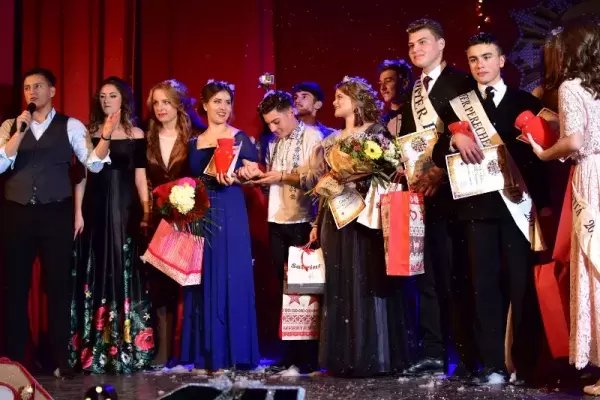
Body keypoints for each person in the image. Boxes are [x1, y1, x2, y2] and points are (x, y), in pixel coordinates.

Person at [433, 32, 551, 384]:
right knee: (483, 286)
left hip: (518, 208)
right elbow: (437, 154)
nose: (479, 64)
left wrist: (545, 205)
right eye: (473, 59)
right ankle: (493, 365)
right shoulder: (458, 105)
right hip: (476, 209)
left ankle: (524, 364)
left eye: (486, 57)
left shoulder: (525, 101)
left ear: (501, 60)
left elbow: (542, 160)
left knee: (522, 286)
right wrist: (454, 138)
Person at [0, 67, 111, 379]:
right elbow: (1, 163)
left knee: (58, 288)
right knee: (15, 288)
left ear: (52, 91)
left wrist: (104, 137)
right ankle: (17, 359)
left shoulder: (70, 125)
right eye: (27, 87)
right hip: (17, 213)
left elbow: (93, 164)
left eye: (38, 86)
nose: (32, 92)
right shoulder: (10, 125)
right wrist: (19, 132)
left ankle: (60, 359)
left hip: (56, 213)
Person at [312, 76, 410, 377]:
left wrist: (360, 177)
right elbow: (327, 181)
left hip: (366, 215)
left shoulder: (376, 132)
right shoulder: (331, 140)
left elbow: (393, 170)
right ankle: (343, 357)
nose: (334, 102)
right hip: (335, 215)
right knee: (340, 281)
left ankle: (372, 354)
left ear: (356, 101)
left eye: (340, 97)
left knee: (365, 279)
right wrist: (316, 222)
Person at [526, 20, 600, 395]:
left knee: (592, 262)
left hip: (590, 176)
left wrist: (543, 153)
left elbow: (574, 141)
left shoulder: (571, 86)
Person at [399, 18, 472, 377]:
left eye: (423, 42)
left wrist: (439, 171)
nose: (416, 50)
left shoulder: (461, 82)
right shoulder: (411, 91)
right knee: (425, 275)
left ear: (441, 44)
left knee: (456, 275)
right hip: (421, 194)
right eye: (411, 45)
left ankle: (466, 354)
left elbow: (472, 134)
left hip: (455, 192)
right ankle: (432, 351)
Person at [69, 77, 154, 374]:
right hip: (94, 207)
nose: (106, 100)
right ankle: (95, 348)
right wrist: (77, 213)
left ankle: (126, 347)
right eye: (103, 96)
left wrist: (146, 211)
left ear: (123, 99)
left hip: (125, 208)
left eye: (113, 95)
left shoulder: (136, 134)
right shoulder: (88, 132)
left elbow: (140, 176)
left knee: (122, 269)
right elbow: (81, 177)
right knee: (96, 269)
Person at [237, 90, 324, 373]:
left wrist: (281, 176)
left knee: (305, 290)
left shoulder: (312, 136)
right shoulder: (273, 143)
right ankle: (289, 353)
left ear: (290, 112)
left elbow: (316, 178)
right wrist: (258, 178)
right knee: (285, 290)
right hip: (276, 220)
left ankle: (309, 355)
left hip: (303, 219)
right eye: (269, 124)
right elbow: (272, 182)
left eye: (277, 121)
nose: (273, 128)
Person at [181, 80, 260, 372]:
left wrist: (239, 176)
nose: (223, 107)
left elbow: (253, 174)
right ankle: (207, 354)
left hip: (230, 209)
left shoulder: (239, 138)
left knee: (232, 276)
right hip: (202, 213)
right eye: (217, 101)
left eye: (227, 102)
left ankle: (234, 352)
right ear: (204, 105)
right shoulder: (194, 142)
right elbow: (191, 178)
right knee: (204, 279)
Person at [145, 79, 198, 367]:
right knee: (161, 287)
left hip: (190, 220)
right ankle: (163, 352)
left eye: (166, 101)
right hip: (157, 221)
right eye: (156, 102)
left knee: (189, 287)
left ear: (179, 104)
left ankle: (189, 351)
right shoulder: (147, 137)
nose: (160, 108)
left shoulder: (195, 137)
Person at [377, 59, 413, 136]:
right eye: (380, 83)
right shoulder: (382, 122)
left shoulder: (417, 112)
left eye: (388, 81)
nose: (382, 88)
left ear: (405, 83)